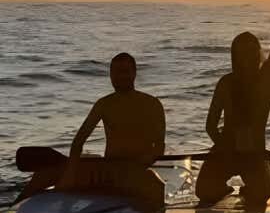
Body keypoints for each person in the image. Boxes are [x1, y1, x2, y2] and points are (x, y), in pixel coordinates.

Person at [195, 0, 270, 207]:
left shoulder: (265, 79)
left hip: (255, 153)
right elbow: (210, 125)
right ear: (235, 57)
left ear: (257, 55)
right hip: (226, 150)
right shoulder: (226, 83)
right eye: (242, 55)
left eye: (252, 53)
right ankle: (227, 189)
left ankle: (253, 182)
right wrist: (224, 147)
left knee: (260, 195)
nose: (247, 59)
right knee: (204, 192)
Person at [19, 52, 166, 203]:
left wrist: (144, 161)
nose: (119, 77)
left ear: (134, 73)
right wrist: (70, 173)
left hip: (135, 169)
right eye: (115, 72)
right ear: (110, 75)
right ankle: (11, 211)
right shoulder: (104, 104)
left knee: (156, 188)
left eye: (124, 72)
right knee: (44, 174)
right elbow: (78, 141)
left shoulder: (152, 104)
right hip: (107, 167)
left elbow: (159, 145)